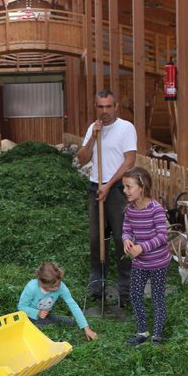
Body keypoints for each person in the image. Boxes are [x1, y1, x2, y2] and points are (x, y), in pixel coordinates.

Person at [75, 89, 137, 304]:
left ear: (116, 106)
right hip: (96, 188)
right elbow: (82, 159)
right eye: (100, 107)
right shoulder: (93, 128)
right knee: (96, 238)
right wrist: (93, 137)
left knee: (122, 238)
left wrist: (109, 185)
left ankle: (126, 288)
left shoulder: (126, 128)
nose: (104, 111)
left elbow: (129, 161)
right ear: (96, 107)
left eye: (108, 106)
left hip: (119, 189)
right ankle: (98, 284)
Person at [121, 167, 171, 346]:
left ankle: (157, 334)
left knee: (157, 296)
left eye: (129, 187)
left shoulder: (156, 209)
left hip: (158, 262)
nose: (125, 190)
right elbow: (126, 229)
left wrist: (142, 247)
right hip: (139, 263)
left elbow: (162, 236)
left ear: (142, 187)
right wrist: (126, 240)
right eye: (124, 187)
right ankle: (142, 332)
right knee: (135, 295)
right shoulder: (130, 210)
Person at [18, 262, 98, 341]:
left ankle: (43, 324)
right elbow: (21, 307)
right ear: (43, 284)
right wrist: (38, 313)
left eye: (58, 284)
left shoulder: (61, 286)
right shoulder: (32, 288)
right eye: (53, 287)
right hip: (29, 316)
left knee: (70, 323)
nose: (57, 288)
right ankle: (33, 327)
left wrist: (86, 328)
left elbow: (73, 305)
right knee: (44, 327)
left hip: (46, 314)